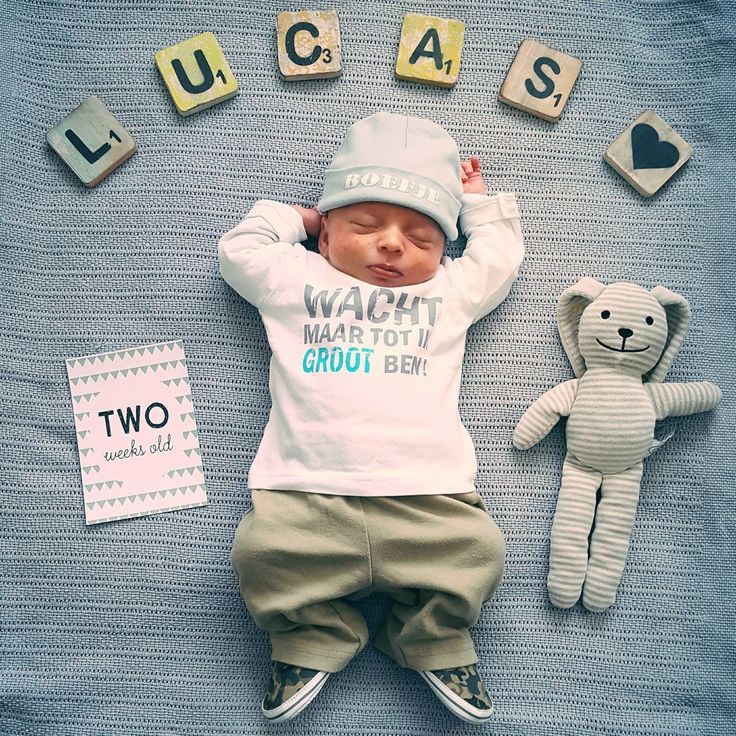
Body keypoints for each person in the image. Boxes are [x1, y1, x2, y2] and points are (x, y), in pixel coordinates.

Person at [219, 111, 524, 724]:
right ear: (327, 238)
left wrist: (479, 207)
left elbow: (499, 260)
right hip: (305, 493)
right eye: (365, 225)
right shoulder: (296, 277)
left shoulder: (445, 294)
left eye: (421, 239)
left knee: (479, 552)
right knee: (261, 554)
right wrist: (295, 219)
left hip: (428, 496)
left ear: (443, 252)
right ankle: (311, 635)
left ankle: (431, 636)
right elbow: (238, 251)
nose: (391, 244)